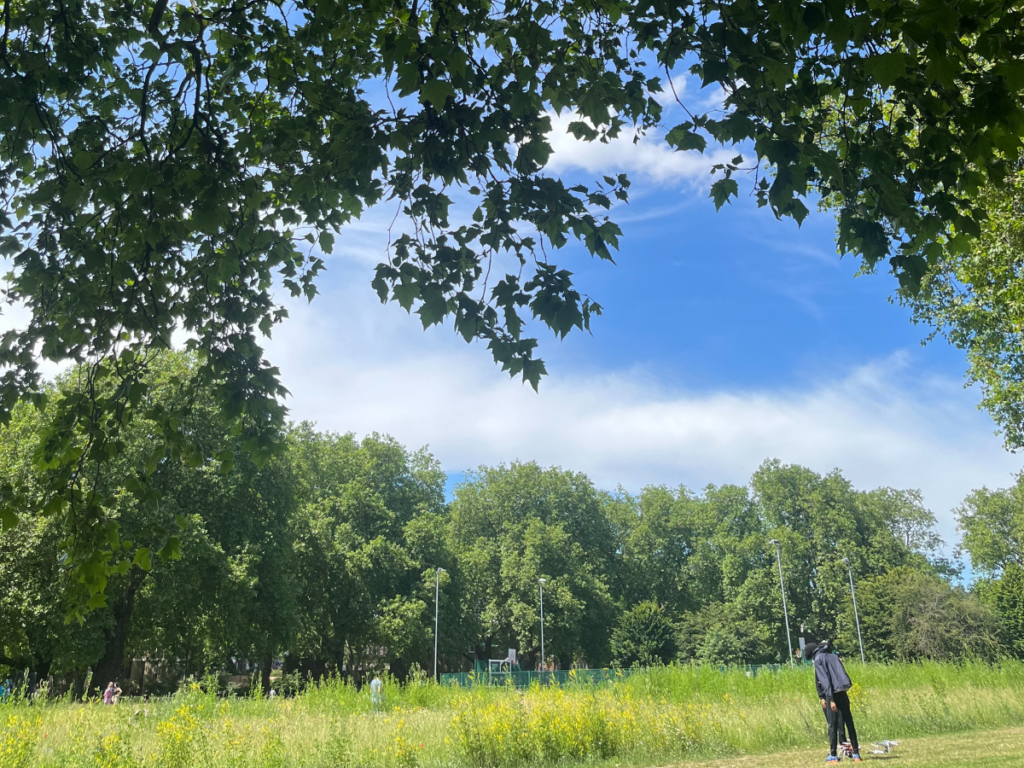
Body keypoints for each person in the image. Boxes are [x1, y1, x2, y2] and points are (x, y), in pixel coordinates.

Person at [803, 640, 861, 763]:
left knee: (832, 725)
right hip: (843, 693)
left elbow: (825, 681)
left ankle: (833, 755)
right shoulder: (833, 656)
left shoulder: (818, 659)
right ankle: (856, 754)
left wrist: (830, 699)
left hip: (832, 695)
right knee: (849, 722)